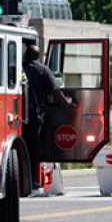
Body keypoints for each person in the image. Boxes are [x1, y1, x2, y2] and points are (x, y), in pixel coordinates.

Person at [22, 43, 72, 191]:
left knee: (22, 149)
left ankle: (23, 182)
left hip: (17, 116)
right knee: (34, 150)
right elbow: (56, 91)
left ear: (25, 55)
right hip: (34, 116)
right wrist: (67, 104)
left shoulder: (18, 68)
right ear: (38, 57)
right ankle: (33, 183)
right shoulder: (43, 70)